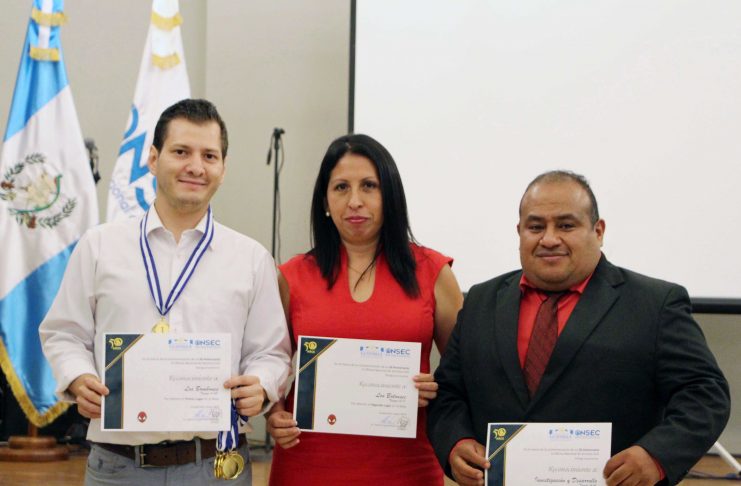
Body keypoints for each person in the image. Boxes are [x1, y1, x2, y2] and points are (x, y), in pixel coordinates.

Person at [39, 99, 291, 486]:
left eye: (209, 156)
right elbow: (63, 333)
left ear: (223, 169)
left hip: (216, 467)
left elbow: (271, 352)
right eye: (181, 152)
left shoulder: (251, 258)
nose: (196, 166)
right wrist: (78, 377)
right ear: (154, 159)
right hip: (119, 467)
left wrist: (260, 383)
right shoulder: (100, 246)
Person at [427, 170, 730, 486]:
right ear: (519, 232)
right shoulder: (481, 301)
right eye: (535, 227)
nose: (549, 239)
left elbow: (705, 394)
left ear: (598, 231)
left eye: (566, 225)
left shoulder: (655, 304)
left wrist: (655, 456)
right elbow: (449, 391)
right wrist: (456, 442)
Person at [266, 134, 464, 485]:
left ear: (390, 196)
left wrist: (434, 387)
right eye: (341, 187)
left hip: (407, 468)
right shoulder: (292, 276)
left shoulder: (433, 272)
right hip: (307, 465)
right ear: (325, 201)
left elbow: (463, 375)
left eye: (369, 186)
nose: (354, 201)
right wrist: (274, 414)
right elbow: (270, 364)